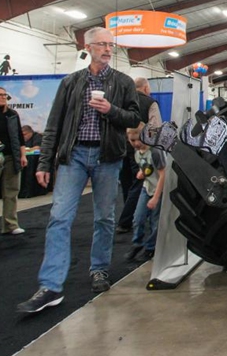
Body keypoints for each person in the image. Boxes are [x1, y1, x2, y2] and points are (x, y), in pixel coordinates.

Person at [17, 27, 140, 314]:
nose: (108, 49)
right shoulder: (71, 82)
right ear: (88, 47)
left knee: (105, 218)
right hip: (73, 157)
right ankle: (51, 286)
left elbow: (134, 117)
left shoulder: (123, 82)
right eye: (102, 44)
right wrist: (45, 163)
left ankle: (99, 269)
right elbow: (54, 125)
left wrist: (110, 109)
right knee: (59, 218)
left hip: (107, 157)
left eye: (112, 45)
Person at [117, 77, 162, 234]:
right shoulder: (150, 102)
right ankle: (126, 220)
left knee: (127, 183)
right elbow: (155, 127)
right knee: (139, 184)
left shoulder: (121, 101)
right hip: (141, 148)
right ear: (145, 88)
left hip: (123, 146)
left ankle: (130, 218)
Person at [124, 123, 165, 262]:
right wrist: (142, 173)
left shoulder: (155, 152)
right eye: (132, 140)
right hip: (147, 188)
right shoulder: (137, 153)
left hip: (158, 191)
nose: (135, 143)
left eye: (138, 140)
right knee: (138, 218)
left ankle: (150, 248)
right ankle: (137, 243)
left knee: (155, 222)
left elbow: (163, 175)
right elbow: (147, 168)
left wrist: (156, 197)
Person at [1, 86, 27, 235]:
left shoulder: (12, 115)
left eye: (5, 95)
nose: (3, 97)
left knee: (11, 191)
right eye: (0, 95)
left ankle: (10, 225)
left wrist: (22, 155)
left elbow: (19, 136)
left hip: (11, 157)